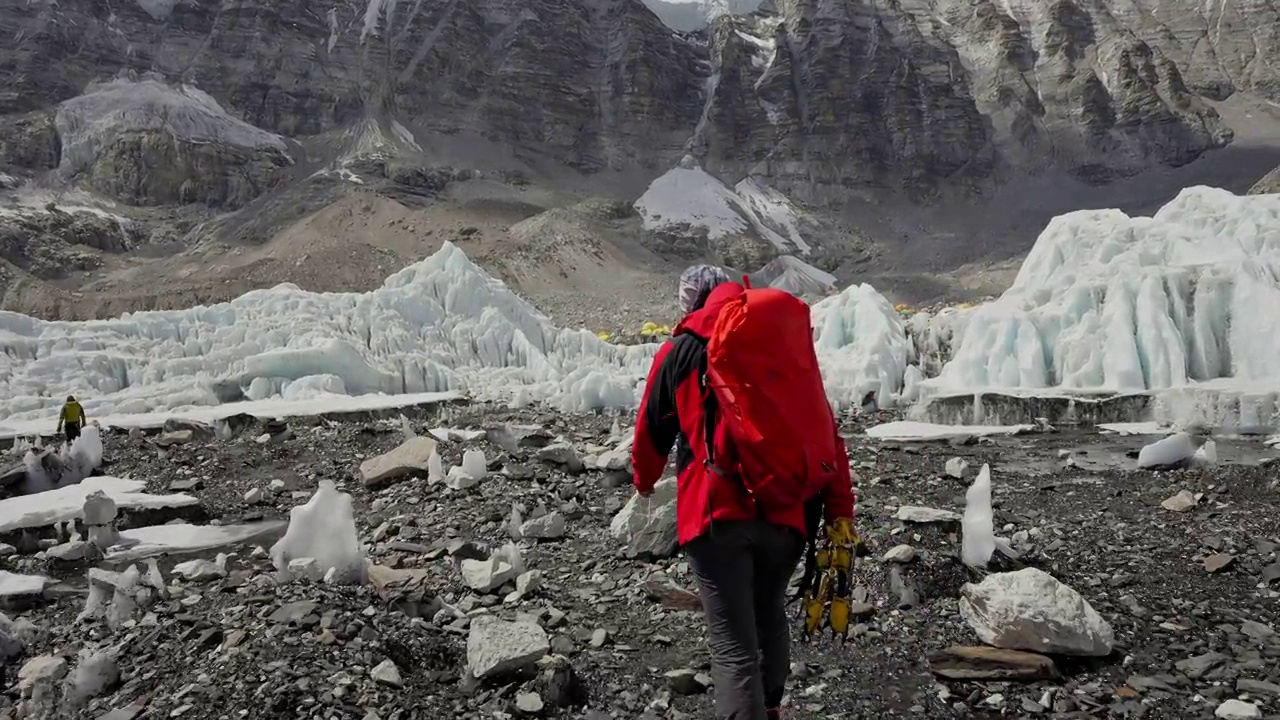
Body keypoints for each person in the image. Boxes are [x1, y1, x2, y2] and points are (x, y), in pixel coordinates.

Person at [631, 265, 857, 720]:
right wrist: (840, 512)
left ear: (693, 302)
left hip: (716, 515)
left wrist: (644, 479)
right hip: (788, 512)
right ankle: (772, 709)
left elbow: (651, 432)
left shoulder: (680, 350)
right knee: (769, 611)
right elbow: (824, 434)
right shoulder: (781, 348)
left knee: (733, 646)